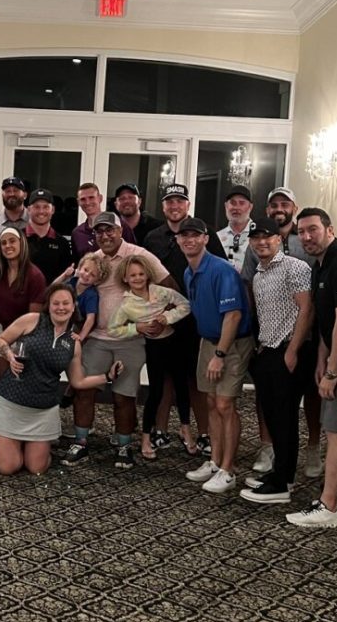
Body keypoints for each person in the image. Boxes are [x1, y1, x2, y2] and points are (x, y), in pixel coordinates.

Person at [66, 212, 172, 469]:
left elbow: (169, 286)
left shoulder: (139, 255)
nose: (104, 236)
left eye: (109, 230)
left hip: (129, 339)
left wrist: (162, 318)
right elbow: (77, 290)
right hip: (96, 338)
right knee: (84, 390)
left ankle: (124, 445)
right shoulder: (93, 260)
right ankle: (80, 442)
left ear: (120, 230)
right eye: (99, 232)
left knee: (123, 396)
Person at [286, 207, 337, 529]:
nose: (306, 237)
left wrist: (335, 371)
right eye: (301, 232)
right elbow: (325, 322)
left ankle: (329, 505)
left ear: (330, 230)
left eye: (312, 230)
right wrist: (322, 358)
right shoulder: (321, 264)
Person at [0, 284, 121, 475]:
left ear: (74, 306)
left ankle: (25, 445)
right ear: (48, 306)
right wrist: (9, 355)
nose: (61, 307)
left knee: (37, 468)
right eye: (56, 303)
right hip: (11, 402)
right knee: (8, 467)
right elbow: (1, 340)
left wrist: (107, 377)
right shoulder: (32, 320)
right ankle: (6, 446)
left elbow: (77, 382)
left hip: (43, 410)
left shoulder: (73, 342)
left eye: (66, 303)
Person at [144, 184, 227, 455]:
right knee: (163, 376)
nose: (174, 206)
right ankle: (161, 431)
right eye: (169, 201)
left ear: (187, 205)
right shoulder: (154, 236)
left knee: (195, 377)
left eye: (180, 201)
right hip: (161, 316)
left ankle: (203, 432)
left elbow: (219, 268)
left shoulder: (205, 233)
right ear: (164, 206)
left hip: (195, 318)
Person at [239, 221, 314, 505]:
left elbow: (307, 309)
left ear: (279, 239)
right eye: (255, 238)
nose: (261, 243)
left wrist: (293, 350)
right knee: (272, 415)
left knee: (285, 417)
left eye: (267, 237)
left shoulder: (295, 267)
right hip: (268, 350)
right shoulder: (258, 273)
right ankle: (281, 473)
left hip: (289, 350)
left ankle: (282, 484)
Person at [179, 217, 255, 492]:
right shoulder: (189, 272)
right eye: (183, 236)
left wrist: (220, 354)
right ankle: (214, 461)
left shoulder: (221, 270)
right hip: (209, 340)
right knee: (210, 401)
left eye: (194, 236)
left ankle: (228, 469)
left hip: (231, 343)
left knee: (225, 405)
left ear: (205, 239)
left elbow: (233, 315)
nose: (188, 240)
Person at [105, 255, 190, 461]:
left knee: (181, 386)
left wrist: (167, 318)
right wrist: (137, 328)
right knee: (156, 392)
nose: (138, 278)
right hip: (154, 348)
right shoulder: (127, 305)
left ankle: (186, 429)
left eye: (141, 274)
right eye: (133, 275)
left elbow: (185, 305)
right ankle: (145, 437)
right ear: (125, 278)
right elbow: (113, 329)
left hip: (173, 343)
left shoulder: (160, 292)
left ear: (148, 275)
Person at [0, 228, 47, 382]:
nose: (8, 245)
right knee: (0, 377)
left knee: (18, 379)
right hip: (0, 327)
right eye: (3, 243)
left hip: (22, 334)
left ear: (22, 243)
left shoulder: (35, 276)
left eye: (12, 241)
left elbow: (34, 319)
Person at [72, 182, 135, 258]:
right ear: (78, 202)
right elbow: (78, 265)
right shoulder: (77, 234)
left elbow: (133, 257)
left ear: (100, 198)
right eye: (83, 199)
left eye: (91, 197)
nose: (87, 202)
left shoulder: (119, 226)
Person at [23, 189, 73, 285]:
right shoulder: (18, 238)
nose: (41, 211)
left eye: (46, 207)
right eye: (37, 207)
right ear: (29, 210)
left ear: (53, 210)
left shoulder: (62, 243)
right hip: (22, 298)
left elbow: (66, 278)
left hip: (52, 297)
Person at [216, 184, 255, 271]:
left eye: (242, 203)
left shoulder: (259, 235)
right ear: (226, 206)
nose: (236, 208)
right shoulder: (216, 237)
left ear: (250, 207)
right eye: (232, 203)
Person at [0, 176, 31, 242]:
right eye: (8, 191)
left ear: (25, 195)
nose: (11, 194)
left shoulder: (34, 221)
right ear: (2, 195)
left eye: (15, 190)